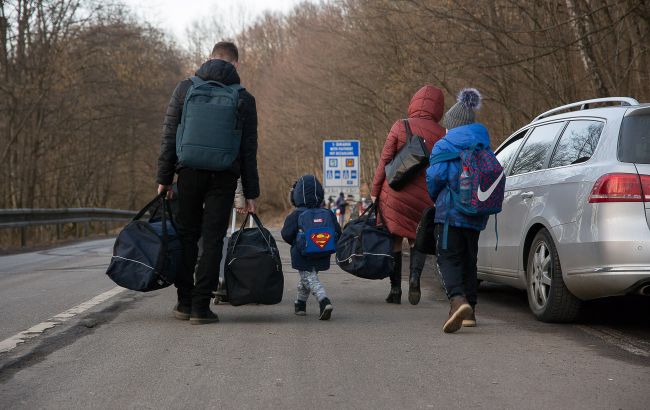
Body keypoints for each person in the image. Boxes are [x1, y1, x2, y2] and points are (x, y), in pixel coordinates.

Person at [157, 41, 259, 325]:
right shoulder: (243, 98)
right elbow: (248, 151)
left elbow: (169, 136)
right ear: (236, 64)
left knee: (187, 235)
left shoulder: (185, 88)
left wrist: (164, 178)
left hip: (187, 172)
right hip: (224, 175)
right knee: (212, 239)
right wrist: (251, 193)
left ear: (209, 59)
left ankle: (183, 302)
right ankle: (201, 308)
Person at [371, 85, 446, 305]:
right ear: (438, 108)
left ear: (413, 103)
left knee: (395, 239)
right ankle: (414, 278)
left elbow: (384, 162)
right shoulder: (442, 134)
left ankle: (395, 290)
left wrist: (375, 192)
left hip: (395, 193)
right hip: (424, 197)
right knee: (416, 239)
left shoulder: (400, 126)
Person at [426, 88, 489, 333]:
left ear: (452, 125)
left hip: (450, 213)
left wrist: (435, 198)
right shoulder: (483, 143)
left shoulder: (445, 145)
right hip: (475, 213)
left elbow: (435, 177)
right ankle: (471, 311)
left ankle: (457, 300)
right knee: (469, 260)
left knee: (447, 258)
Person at [281, 175, 340, 320]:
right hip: (322, 252)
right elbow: (338, 233)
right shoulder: (328, 214)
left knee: (309, 277)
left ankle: (323, 300)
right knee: (308, 277)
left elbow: (286, 234)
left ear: (296, 195)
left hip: (302, 254)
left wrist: (297, 243)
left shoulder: (296, 215)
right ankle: (300, 303)